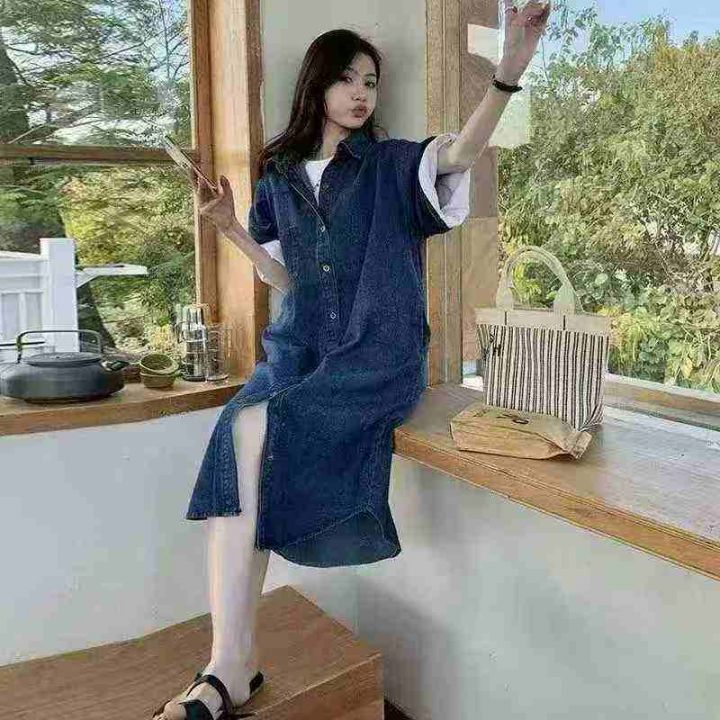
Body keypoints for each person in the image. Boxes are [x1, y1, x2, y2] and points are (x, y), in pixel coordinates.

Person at [153, 3, 550, 719]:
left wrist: (509, 72)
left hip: (376, 354)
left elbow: (460, 154)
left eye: (370, 80)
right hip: (298, 349)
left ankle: (227, 670)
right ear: (318, 84)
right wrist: (230, 229)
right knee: (236, 438)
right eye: (347, 78)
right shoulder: (278, 174)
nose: (361, 92)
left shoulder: (392, 165)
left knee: (250, 431)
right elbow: (287, 281)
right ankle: (230, 664)